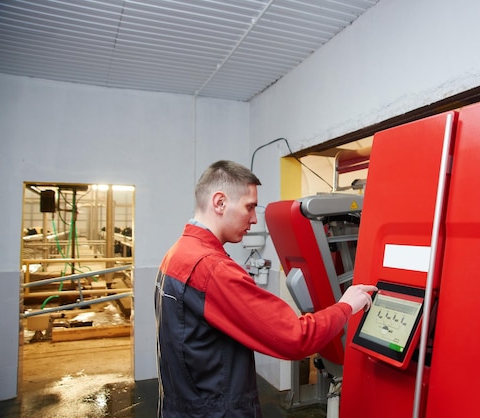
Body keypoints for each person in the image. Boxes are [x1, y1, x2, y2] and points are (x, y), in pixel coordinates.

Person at [155, 160, 376, 417]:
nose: (254, 218)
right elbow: (295, 338)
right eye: (249, 207)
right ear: (219, 202)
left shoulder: (177, 253)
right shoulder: (213, 269)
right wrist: (346, 306)